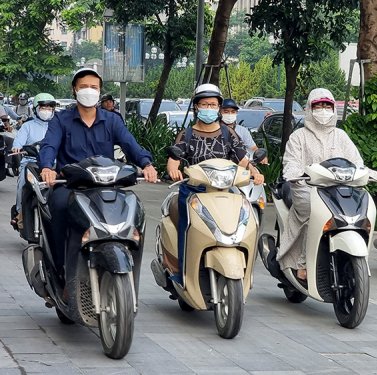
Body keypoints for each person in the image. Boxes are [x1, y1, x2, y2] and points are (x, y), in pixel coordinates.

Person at [38, 68, 158, 277]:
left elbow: (130, 145)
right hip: (70, 186)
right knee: (56, 206)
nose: (89, 91)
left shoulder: (112, 120)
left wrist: (146, 164)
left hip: (105, 185)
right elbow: (49, 145)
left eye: (94, 87)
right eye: (84, 86)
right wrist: (47, 168)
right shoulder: (61, 120)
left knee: (133, 208)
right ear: (74, 89)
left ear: (100, 91)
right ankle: (60, 271)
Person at [279, 88, 377, 281]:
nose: (323, 109)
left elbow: (356, 162)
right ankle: (302, 263)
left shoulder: (341, 136)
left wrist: (370, 174)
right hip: (307, 188)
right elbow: (291, 162)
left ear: (334, 109)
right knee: (315, 214)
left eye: (327, 105)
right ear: (310, 108)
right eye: (318, 105)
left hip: (338, 190)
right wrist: (294, 174)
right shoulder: (299, 136)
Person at [167, 84, 265, 282]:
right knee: (185, 222)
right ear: (196, 107)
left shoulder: (228, 134)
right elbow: (174, 159)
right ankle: (182, 270)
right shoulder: (187, 135)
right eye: (204, 104)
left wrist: (255, 172)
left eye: (213, 104)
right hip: (194, 190)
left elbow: (242, 159)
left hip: (224, 190)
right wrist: (173, 170)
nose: (209, 108)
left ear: (218, 107)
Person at [11, 93, 56, 226]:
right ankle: (20, 212)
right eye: (43, 107)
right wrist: (17, 148)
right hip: (30, 162)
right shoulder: (28, 126)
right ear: (36, 109)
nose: (46, 110)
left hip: (54, 163)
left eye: (49, 107)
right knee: (22, 184)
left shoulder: (57, 126)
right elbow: (19, 141)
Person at [219, 98, 268, 164]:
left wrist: (261, 157)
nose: (230, 114)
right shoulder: (213, 130)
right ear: (219, 112)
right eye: (226, 112)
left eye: (233, 112)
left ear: (236, 112)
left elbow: (253, 147)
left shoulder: (242, 131)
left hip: (240, 166)